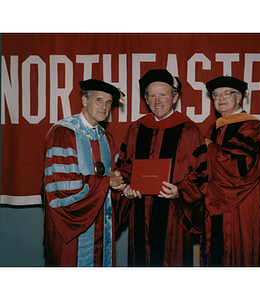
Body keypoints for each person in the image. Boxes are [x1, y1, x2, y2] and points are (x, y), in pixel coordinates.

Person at [116, 69, 208, 267]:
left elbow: (202, 174)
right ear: (146, 100)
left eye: (163, 95)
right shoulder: (136, 128)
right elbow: (125, 166)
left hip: (173, 218)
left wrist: (180, 191)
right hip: (139, 216)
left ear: (174, 97)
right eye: (152, 96)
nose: (157, 101)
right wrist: (126, 188)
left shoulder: (189, 129)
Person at [41, 78, 127, 267]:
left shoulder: (107, 139)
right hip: (73, 232)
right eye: (99, 100)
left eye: (109, 102)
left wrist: (121, 187)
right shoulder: (64, 133)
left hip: (102, 231)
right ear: (85, 101)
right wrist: (106, 183)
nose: (104, 106)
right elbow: (63, 187)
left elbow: (113, 179)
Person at [203, 75, 260, 266]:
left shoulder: (252, 126)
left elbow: (240, 166)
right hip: (214, 207)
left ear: (239, 98)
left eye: (227, 93)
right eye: (216, 95)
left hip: (242, 206)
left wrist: (210, 148)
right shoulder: (212, 129)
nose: (220, 99)